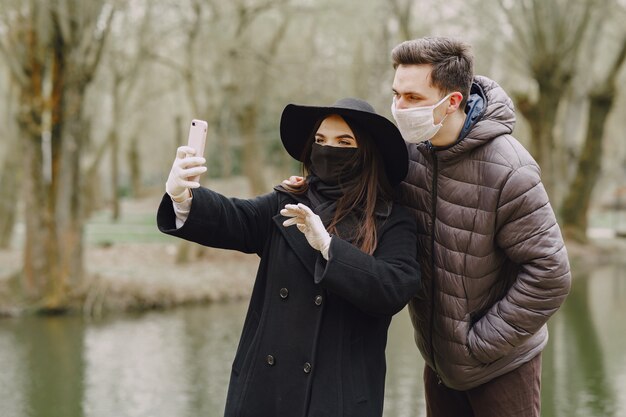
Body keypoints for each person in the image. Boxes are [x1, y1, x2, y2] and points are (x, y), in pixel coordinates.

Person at [157, 98, 421, 417]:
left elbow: (393, 288)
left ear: (366, 152)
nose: (328, 150)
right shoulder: (286, 202)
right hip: (264, 393)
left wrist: (328, 247)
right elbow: (234, 217)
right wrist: (182, 196)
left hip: (337, 400)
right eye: (321, 141)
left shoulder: (392, 220)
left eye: (344, 142)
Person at [390, 37, 572, 416]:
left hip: (502, 368)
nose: (399, 108)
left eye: (413, 98)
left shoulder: (511, 170)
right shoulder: (407, 155)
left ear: (452, 101)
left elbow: (551, 273)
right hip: (439, 366)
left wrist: (479, 344)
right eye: (396, 95)